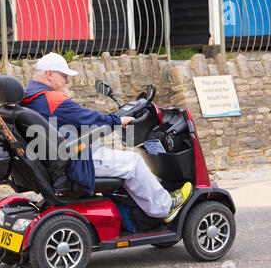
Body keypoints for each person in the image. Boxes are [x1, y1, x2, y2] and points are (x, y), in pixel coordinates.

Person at [21, 52, 192, 222]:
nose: (67, 81)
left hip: (57, 157)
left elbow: (79, 118)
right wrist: (118, 120)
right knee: (133, 162)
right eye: (65, 76)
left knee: (116, 156)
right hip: (76, 161)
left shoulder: (28, 98)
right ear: (50, 74)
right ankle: (164, 207)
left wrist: (110, 119)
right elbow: (89, 119)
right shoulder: (52, 99)